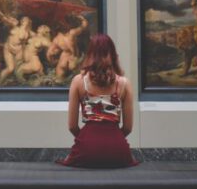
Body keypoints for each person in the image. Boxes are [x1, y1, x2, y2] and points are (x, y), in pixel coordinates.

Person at [57, 34, 138, 168]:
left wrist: (87, 140)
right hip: (117, 149)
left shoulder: (78, 81)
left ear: (90, 55)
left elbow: (72, 126)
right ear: (113, 54)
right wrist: (112, 139)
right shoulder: (125, 84)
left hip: (86, 148)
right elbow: (128, 128)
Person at [47, 15, 88, 83]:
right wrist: (82, 18)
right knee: (80, 81)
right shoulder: (72, 33)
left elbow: (49, 54)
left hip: (63, 60)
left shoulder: (56, 39)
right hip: (74, 59)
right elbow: (84, 25)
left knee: (58, 80)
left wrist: (53, 62)